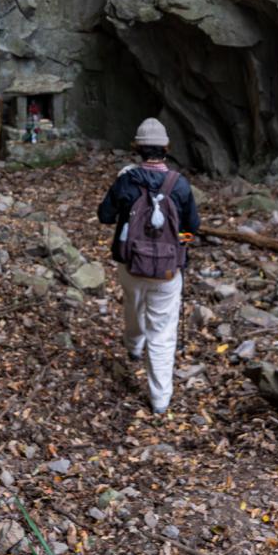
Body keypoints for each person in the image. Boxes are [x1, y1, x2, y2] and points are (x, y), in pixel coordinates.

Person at [97, 117, 200, 415]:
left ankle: (133, 346)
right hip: (167, 272)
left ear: (137, 149)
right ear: (166, 148)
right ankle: (160, 399)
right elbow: (193, 226)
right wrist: (177, 241)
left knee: (133, 301)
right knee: (163, 331)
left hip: (130, 264)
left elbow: (105, 215)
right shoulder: (179, 185)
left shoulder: (127, 180)